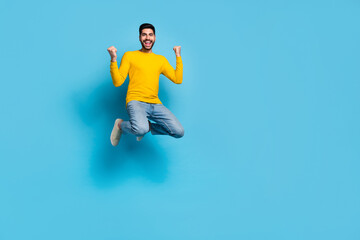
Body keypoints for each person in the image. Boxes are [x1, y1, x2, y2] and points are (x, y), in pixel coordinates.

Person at [107, 23, 184, 146]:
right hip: (135, 101)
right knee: (140, 130)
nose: (147, 38)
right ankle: (120, 125)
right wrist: (113, 60)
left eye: (150, 35)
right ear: (139, 37)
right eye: (144, 35)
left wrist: (178, 56)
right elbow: (118, 82)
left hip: (155, 104)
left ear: (154, 37)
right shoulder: (130, 56)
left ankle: (147, 126)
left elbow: (177, 79)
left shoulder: (160, 60)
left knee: (179, 131)